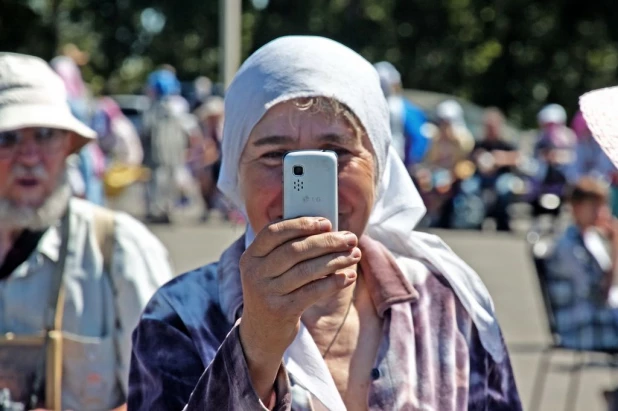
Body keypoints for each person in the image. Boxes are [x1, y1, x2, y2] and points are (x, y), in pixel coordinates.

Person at [128, 36, 521, 410]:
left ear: (379, 169)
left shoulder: (447, 304)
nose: (307, 190)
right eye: (274, 155)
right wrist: (256, 349)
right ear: (235, 171)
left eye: (336, 153)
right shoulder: (179, 316)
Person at [0, 53, 174, 410]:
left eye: (45, 135)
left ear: (67, 146)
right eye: (8, 138)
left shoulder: (117, 247)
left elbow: (172, 395)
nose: (29, 157)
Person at [545, 177, 618, 349]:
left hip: (595, 316)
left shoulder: (593, 238)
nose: (602, 213)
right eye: (594, 206)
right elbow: (598, 293)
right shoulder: (567, 245)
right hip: (580, 325)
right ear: (576, 208)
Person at [141, 68, 193, 223]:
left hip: (158, 151)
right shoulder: (179, 105)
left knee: (158, 179)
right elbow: (188, 129)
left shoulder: (153, 106)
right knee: (171, 179)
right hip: (174, 151)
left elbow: (146, 129)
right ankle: (168, 208)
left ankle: (158, 209)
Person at [471, 107, 521, 231]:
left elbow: (517, 159)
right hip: (481, 177)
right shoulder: (480, 143)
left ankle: (502, 221)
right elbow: (471, 159)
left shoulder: (507, 143)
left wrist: (500, 159)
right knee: (469, 188)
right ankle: (475, 220)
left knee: (503, 188)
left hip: (502, 176)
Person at [374, 61, 430, 168]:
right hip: (397, 162)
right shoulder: (402, 107)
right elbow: (418, 137)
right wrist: (412, 163)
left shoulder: (367, 106)